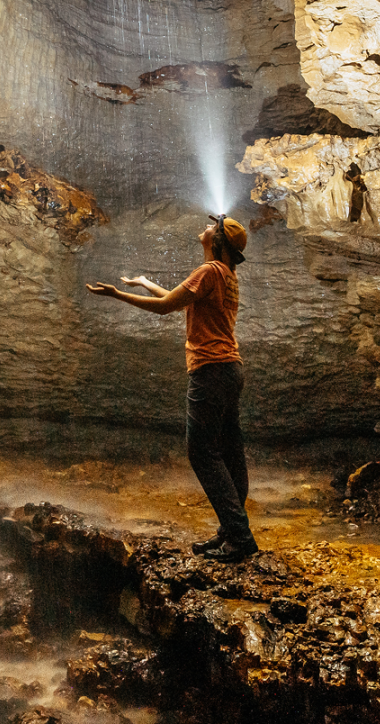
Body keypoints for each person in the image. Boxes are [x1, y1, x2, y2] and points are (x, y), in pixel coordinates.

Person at [85, 215, 258, 563]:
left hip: (210, 370)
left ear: (219, 241)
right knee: (229, 451)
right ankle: (231, 531)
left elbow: (167, 308)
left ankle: (239, 537)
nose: (206, 227)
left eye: (214, 227)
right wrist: (145, 283)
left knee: (202, 452)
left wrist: (117, 294)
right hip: (229, 369)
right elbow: (177, 299)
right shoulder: (225, 274)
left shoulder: (209, 270)